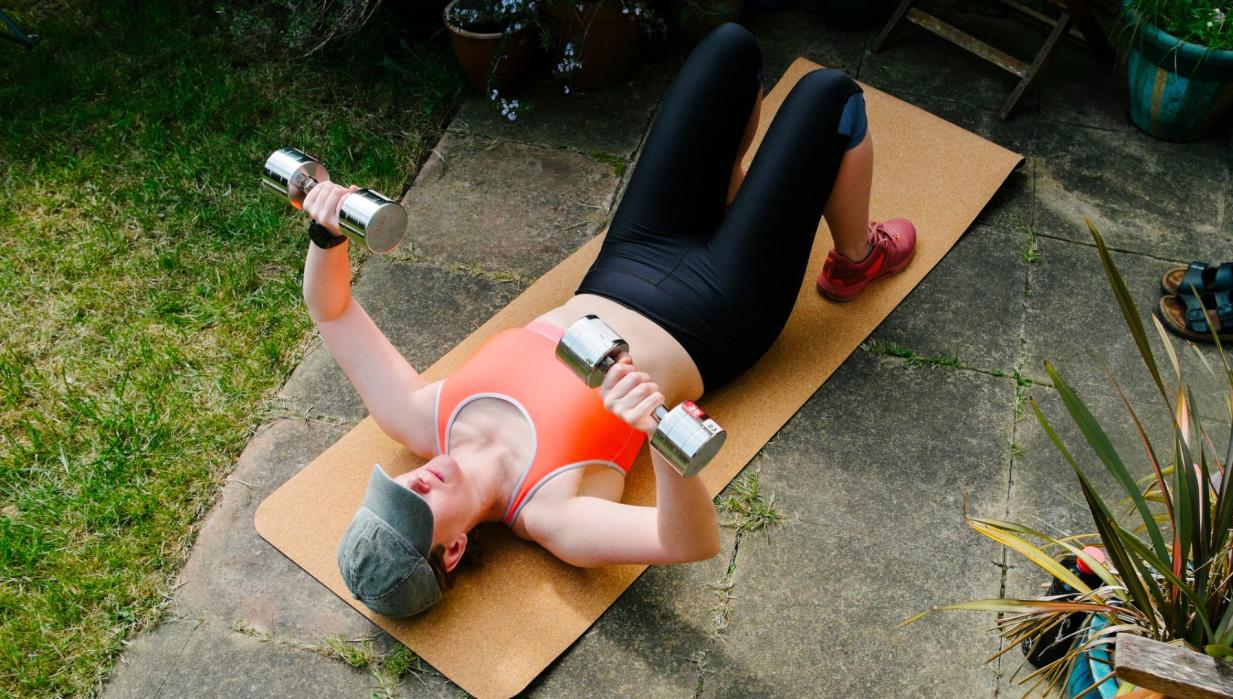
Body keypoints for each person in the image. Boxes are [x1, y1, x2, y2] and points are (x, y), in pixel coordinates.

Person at [301, 23, 916, 617]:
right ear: (454, 549)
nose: (418, 485)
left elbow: (330, 311)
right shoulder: (555, 516)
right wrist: (663, 441)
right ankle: (857, 259)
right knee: (830, 96)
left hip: (629, 260)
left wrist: (327, 233)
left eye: (396, 490)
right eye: (416, 511)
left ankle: (730, 193)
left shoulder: (417, 418)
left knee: (730, 51)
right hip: (718, 312)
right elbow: (688, 543)